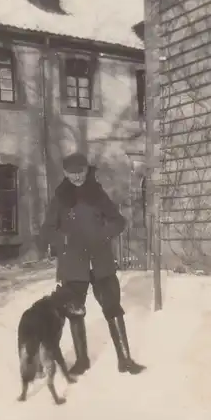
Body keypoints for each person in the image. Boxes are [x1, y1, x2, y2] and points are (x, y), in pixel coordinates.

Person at [39, 152, 146, 376]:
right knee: (75, 311)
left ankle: (125, 360)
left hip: (101, 262)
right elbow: (47, 229)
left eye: (81, 172)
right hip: (73, 264)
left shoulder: (97, 194)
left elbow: (118, 221)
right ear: (65, 173)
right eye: (72, 173)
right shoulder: (60, 197)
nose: (77, 177)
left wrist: (103, 234)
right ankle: (82, 360)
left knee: (113, 307)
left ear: (87, 171)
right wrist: (64, 240)